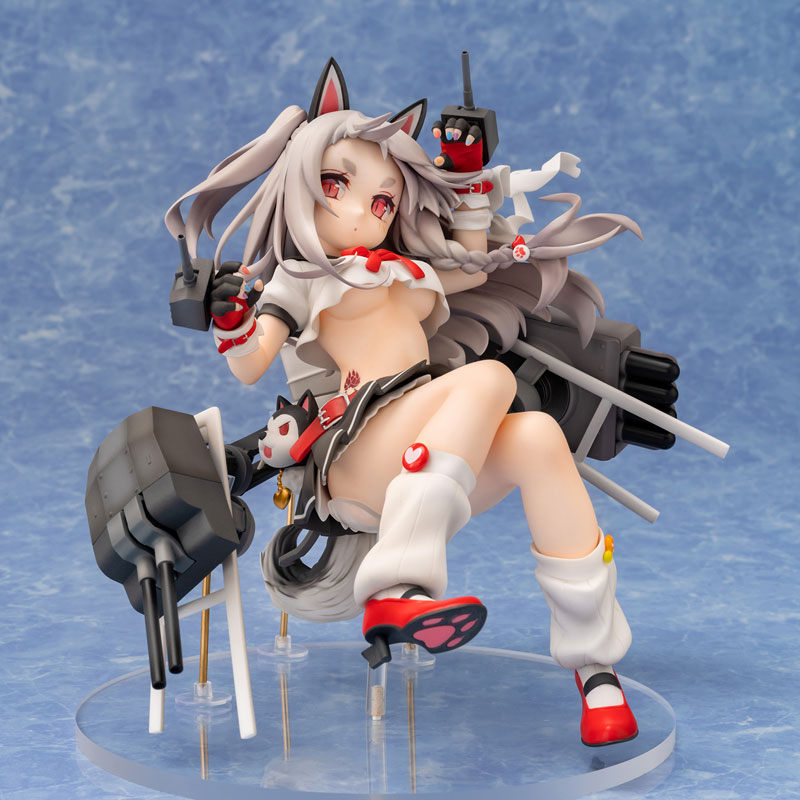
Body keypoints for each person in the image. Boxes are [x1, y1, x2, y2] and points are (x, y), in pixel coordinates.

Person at [165, 58, 641, 746]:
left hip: (428, 440)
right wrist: (232, 318)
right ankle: (397, 586)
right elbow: (250, 365)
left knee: (538, 438)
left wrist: (468, 174)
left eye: (384, 201)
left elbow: (474, 260)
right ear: (303, 184)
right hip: (360, 447)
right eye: (339, 184)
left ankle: (596, 670)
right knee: (489, 381)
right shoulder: (300, 278)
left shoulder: (405, 269)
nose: (365, 209)